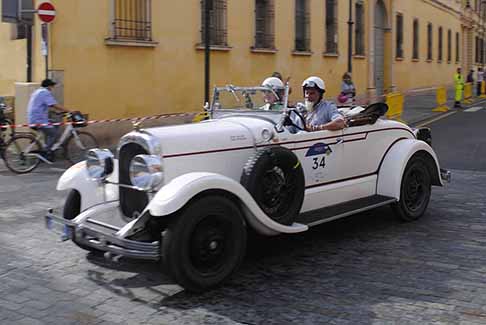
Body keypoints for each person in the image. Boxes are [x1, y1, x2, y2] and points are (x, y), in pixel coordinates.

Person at [27, 79, 70, 161]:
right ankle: (46, 152)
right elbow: (54, 104)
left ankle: (48, 147)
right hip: (39, 120)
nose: (52, 87)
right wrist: (69, 111)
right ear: (49, 86)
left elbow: (44, 106)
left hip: (36, 118)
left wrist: (57, 112)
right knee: (54, 134)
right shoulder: (45, 92)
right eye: (52, 86)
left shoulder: (37, 92)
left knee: (55, 124)